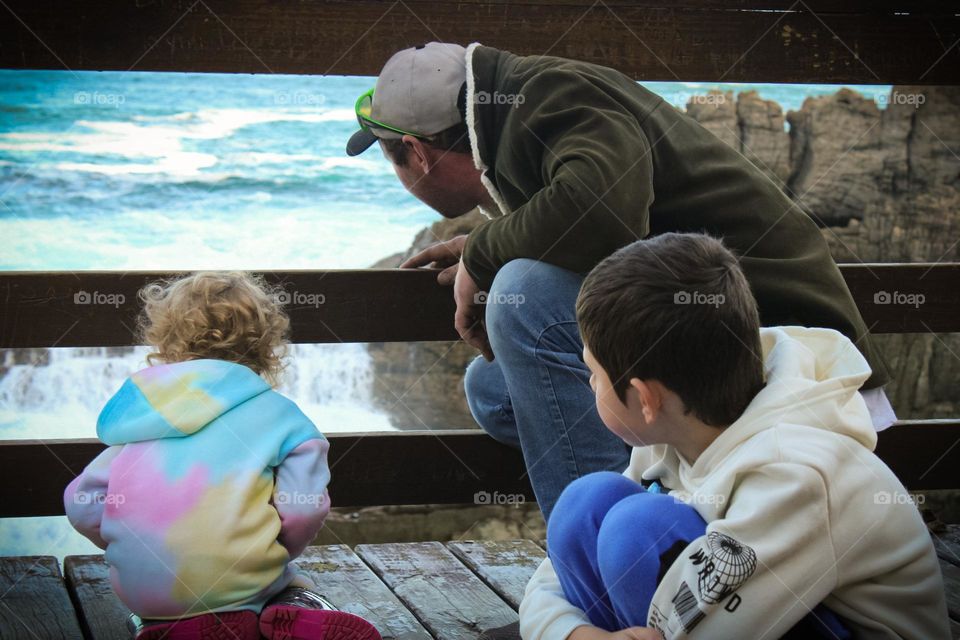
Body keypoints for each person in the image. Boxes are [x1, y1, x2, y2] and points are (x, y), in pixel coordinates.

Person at [345, 42, 897, 523]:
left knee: (524, 301)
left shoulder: (550, 94)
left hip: (786, 343)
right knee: (493, 393)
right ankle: (669, 505)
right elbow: (605, 227)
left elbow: (605, 212)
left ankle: (603, 570)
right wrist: (489, 246)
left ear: (416, 153)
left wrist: (487, 252)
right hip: (712, 330)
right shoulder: (516, 107)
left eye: (393, 163)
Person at [519, 233, 949, 639]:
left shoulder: (798, 471)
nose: (589, 385)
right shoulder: (668, 433)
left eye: (593, 373)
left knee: (637, 529)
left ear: (644, 399)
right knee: (587, 503)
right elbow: (550, 580)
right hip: (733, 613)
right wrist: (571, 631)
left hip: (823, 624)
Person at [63, 272, 381, 640]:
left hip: (147, 591)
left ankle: (158, 627)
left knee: (159, 606)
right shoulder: (281, 416)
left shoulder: (146, 416)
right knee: (291, 585)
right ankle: (296, 609)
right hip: (244, 580)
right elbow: (303, 507)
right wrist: (278, 552)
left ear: (165, 340)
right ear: (266, 344)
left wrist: (133, 544)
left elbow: (81, 503)